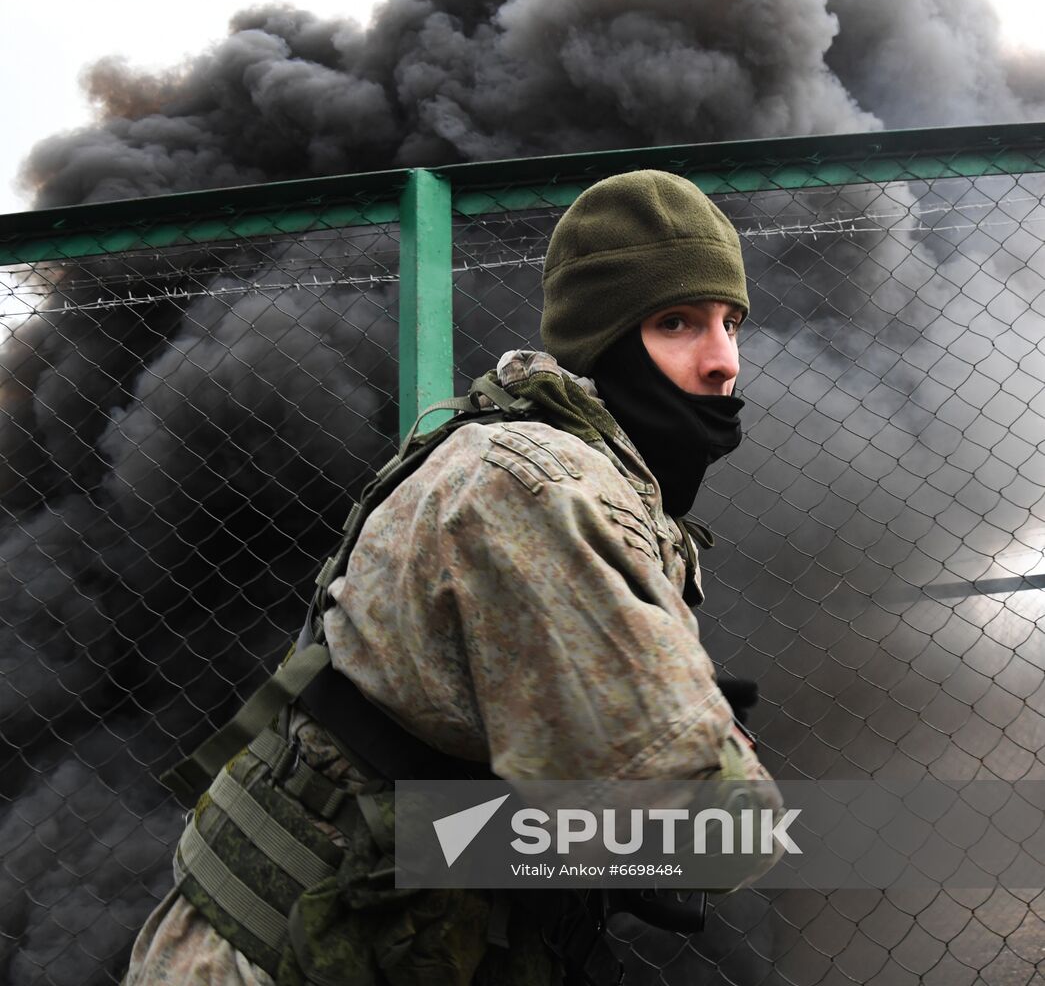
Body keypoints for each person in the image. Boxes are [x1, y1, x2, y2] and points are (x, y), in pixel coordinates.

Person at [123, 169, 780, 986]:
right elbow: (719, 833)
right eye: (676, 322)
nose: (722, 361)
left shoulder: (533, 452)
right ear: (602, 338)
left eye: (732, 322)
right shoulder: (538, 484)